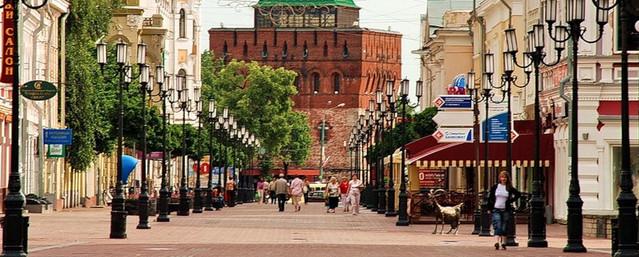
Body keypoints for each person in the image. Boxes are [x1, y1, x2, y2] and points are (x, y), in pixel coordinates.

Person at [488, 170, 521, 250]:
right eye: (502, 177)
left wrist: (510, 201)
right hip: (496, 209)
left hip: (505, 210)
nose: (503, 179)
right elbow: (490, 198)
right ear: (500, 178)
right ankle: (497, 242)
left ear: (507, 179)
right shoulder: (496, 187)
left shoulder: (509, 188)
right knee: (498, 224)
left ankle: (503, 243)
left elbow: (518, 194)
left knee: (504, 226)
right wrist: (489, 208)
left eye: (505, 177)